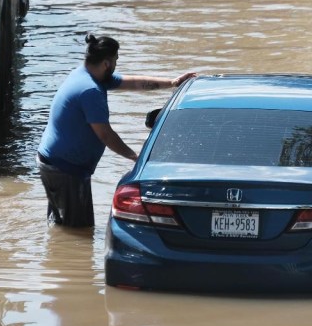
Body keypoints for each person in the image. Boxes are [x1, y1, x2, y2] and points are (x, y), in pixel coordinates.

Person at [37, 34, 196, 227]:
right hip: (65, 169)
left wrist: (172, 83)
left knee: (62, 227)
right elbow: (105, 134)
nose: (115, 65)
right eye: (115, 60)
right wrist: (134, 156)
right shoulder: (90, 90)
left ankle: (57, 254)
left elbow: (134, 82)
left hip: (55, 163)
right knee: (80, 230)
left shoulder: (85, 75)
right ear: (106, 63)